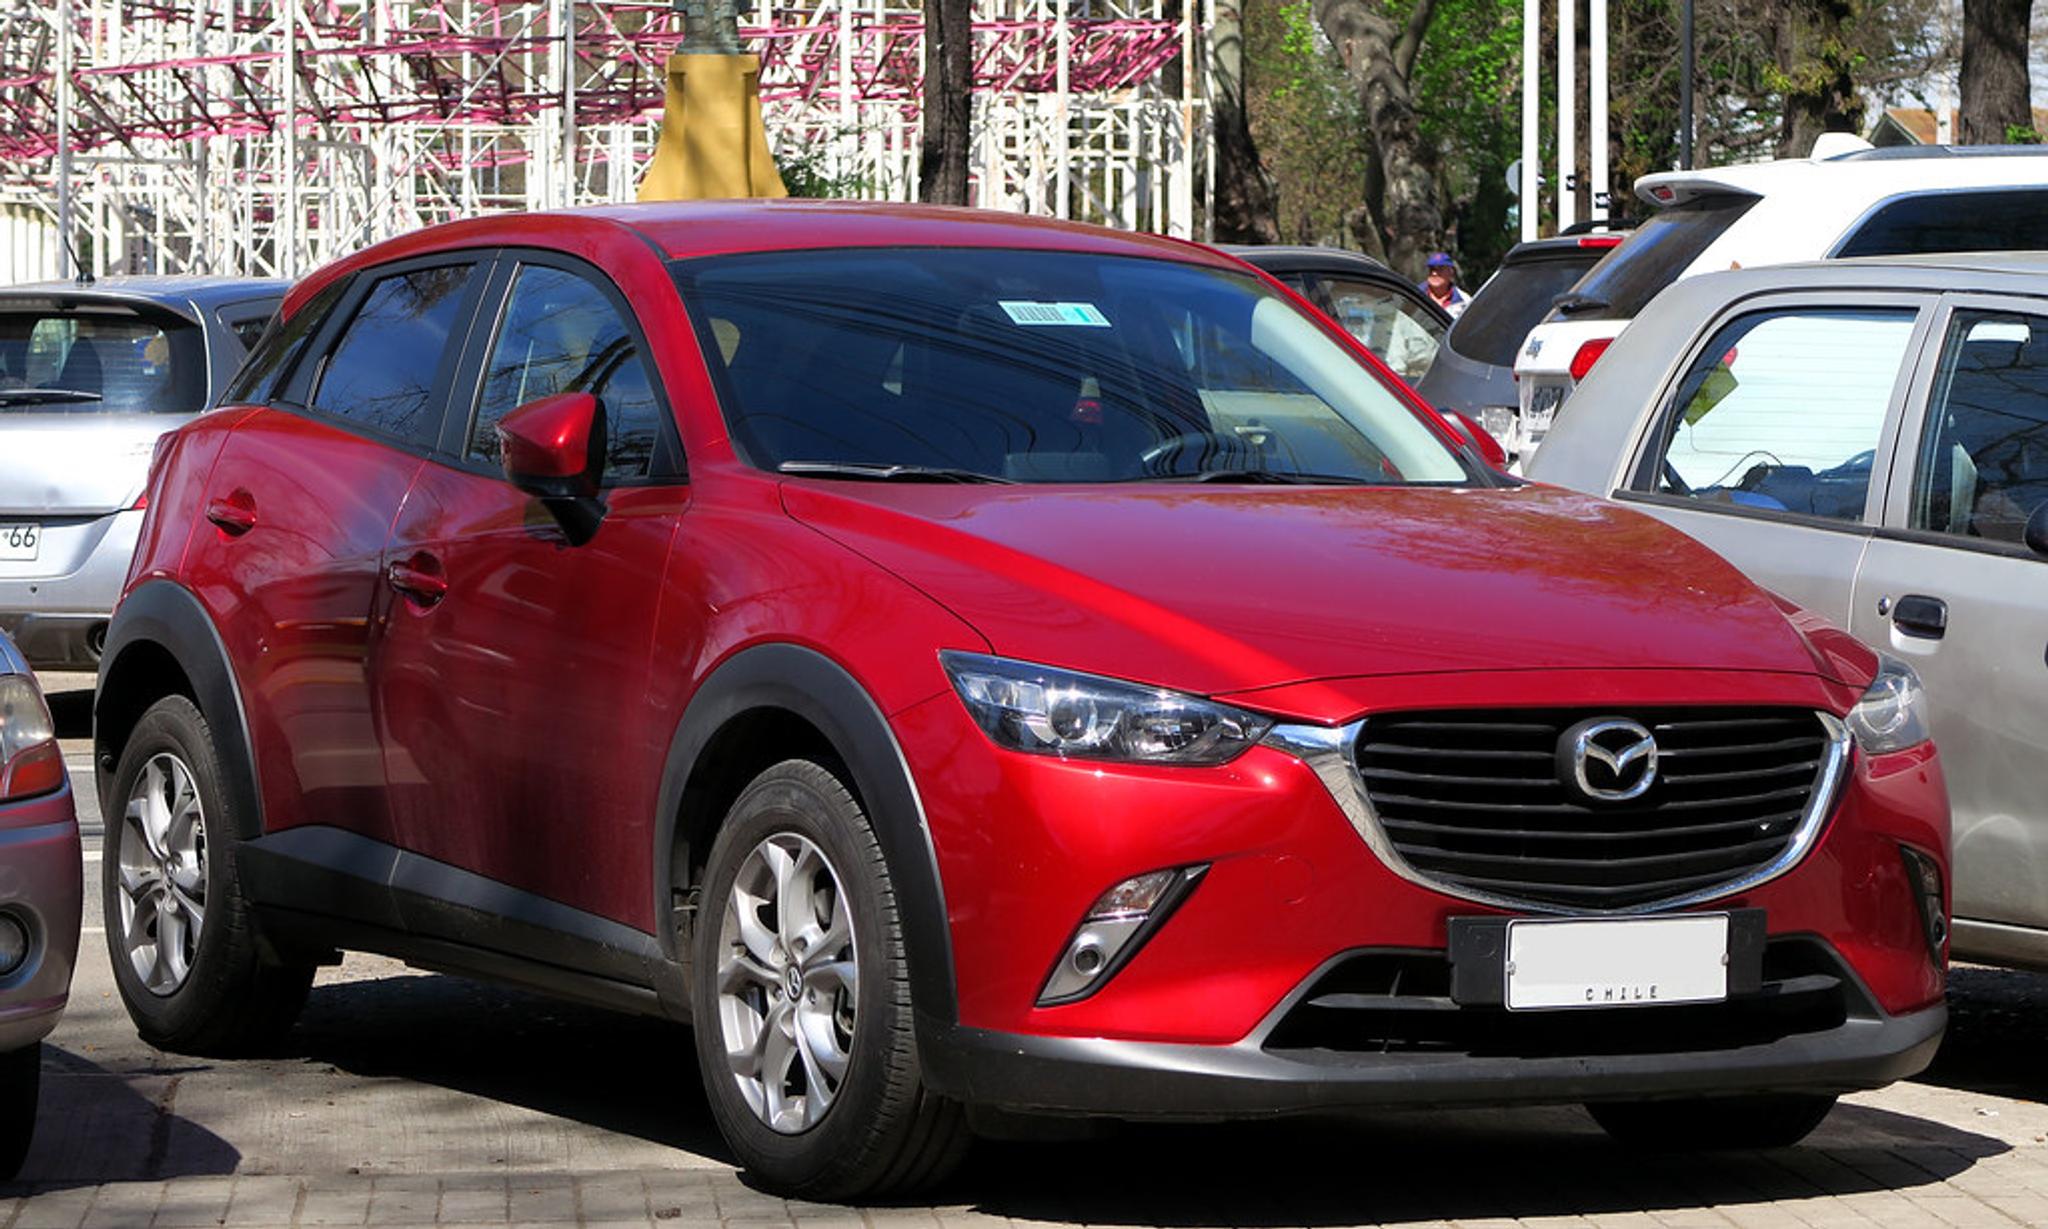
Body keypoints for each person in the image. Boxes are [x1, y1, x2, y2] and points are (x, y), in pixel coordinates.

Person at [1419, 252, 1469, 319]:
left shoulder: (1465, 301)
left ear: (1451, 272)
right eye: (1432, 269)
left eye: (1440, 269)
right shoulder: (1415, 294)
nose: (1434, 273)